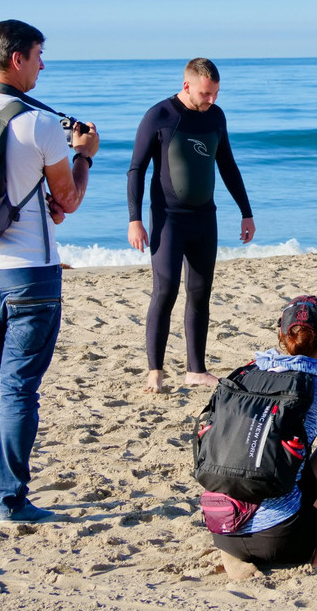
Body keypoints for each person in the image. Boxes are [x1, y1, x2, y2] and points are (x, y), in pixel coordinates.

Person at [0, 20, 100, 523]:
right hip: (30, 276)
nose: (41, 64)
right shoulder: (36, 124)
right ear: (17, 59)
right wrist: (84, 156)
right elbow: (69, 200)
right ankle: (10, 499)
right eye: (38, 55)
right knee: (17, 390)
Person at [212, 296, 317, 576]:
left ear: (281, 334)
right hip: (280, 539)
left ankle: (234, 551)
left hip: (223, 527)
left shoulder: (248, 370)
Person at [127, 58, 256, 393]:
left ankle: (195, 370)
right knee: (165, 290)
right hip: (168, 218)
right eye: (205, 93)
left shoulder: (215, 116)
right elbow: (136, 170)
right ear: (187, 86)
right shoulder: (160, 116)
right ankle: (155, 370)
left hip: (204, 217)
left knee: (200, 293)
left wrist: (246, 211)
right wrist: (135, 220)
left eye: (215, 93)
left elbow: (227, 164)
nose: (211, 99)